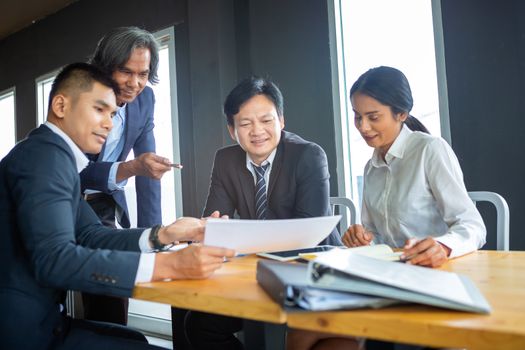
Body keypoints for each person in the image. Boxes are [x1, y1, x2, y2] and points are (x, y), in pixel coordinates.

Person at [0, 62, 235, 350]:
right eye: (99, 109)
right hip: (23, 333)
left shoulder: (53, 155)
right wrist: (167, 265)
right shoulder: (46, 157)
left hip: (46, 322)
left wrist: (163, 234)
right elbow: (55, 261)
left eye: (112, 113)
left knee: (133, 337)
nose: (110, 123)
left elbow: (91, 236)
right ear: (61, 106)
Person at [183, 76, 343, 349]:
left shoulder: (308, 155)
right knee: (199, 323)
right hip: (256, 272)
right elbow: (214, 221)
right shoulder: (225, 160)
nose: (257, 131)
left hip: (313, 273)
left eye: (266, 120)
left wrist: (238, 237)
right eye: (245, 123)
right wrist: (214, 227)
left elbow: (308, 233)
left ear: (281, 120)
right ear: (232, 130)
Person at [342, 66, 486, 268]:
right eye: (358, 116)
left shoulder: (430, 150)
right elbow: (375, 235)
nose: (363, 127)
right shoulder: (370, 168)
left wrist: (442, 246)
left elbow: (473, 226)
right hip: (393, 271)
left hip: (437, 270)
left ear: (401, 114)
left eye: (373, 117)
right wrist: (362, 239)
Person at [80, 26, 171, 325]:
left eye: (143, 74)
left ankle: (114, 335)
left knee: (116, 272)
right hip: (65, 197)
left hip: (105, 202)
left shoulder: (145, 101)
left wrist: (153, 237)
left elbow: (149, 173)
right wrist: (131, 167)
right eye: (125, 72)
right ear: (105, 68)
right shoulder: (81, 97)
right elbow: (73, 171)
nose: (135, 83)